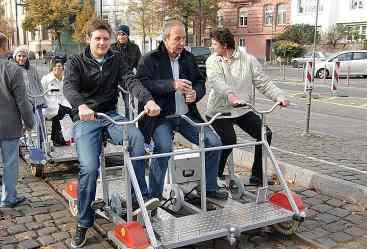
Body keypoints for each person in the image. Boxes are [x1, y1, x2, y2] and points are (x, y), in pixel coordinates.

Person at [63, 19, 161, 248]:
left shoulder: (117, 59)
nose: (102, 42)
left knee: (137, 139)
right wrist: (81, 105)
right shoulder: (75, 62)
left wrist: (148, 100)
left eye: (106, 38)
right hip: (86, 119)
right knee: (89, 167)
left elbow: (130, 81)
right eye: (97, 38)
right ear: (89, 39)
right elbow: (69, 87)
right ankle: (84, 221)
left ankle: (138, 198)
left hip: (110, 115)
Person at [136, 20, 228, 201]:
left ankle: (208, 188)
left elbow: (200, 81)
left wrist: (196, 93)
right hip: (161, 117)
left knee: (214, 142)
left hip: (186, 115)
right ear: (165, 39)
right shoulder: (149, 59)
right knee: (163, 148)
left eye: (184, 39)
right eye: (177, 39)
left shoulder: (188, 58)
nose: (182, 43)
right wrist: (172, 85)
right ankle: (153, 197)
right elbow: (143, 84)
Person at [205, 28, 289, 186]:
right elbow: (216, 81)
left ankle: (256, 176)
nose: (212, 47)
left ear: (224, 45)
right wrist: (230, 94)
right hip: (219, 111)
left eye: (214, 44)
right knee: (228, 139)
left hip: (242, 109)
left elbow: (263, 82)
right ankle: (214, 176)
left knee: (265, 134)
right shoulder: (212, 60)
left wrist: (279, 96)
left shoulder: (248, 60)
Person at [0, 33, 34, 208]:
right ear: (5, 48)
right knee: (10, 162)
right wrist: (30, 123)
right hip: (8, 126)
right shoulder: (13, 70)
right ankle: (8, 197)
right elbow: (22, 101)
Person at [111, 25, 142, 119]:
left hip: (127, 80)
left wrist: (139, 78)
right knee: (112, 104)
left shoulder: (134, 48)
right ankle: (113, 124)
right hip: (114, 81)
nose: (120, 36)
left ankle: (129, 124)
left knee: (128, 105)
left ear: (127, 35)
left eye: (123, 34)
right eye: (119, 34)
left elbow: (139, 65)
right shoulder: (111, 48)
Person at [41, 59, 73, 146]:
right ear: (53, 67)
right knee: (59, 112)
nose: (58, 68)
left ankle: (65, 136)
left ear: (63, 68)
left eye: (60, 66)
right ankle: (56, 138)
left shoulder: (64, 79)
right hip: (49, 104)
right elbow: (41, 93)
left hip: (61, 102)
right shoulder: (46, 79)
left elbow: (64, 94)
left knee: (69, 111)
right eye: (56, 66)